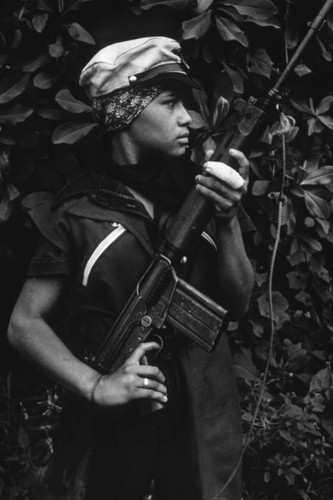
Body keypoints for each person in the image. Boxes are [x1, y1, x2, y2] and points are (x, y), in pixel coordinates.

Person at [7, 36, 254, 500]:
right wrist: (96, 385)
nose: (189, 118)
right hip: (115, 432)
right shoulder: (79, 212)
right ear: (126, 112)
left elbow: (238, 304)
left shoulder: (200, 195)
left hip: (205, 416)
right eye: (170, 103)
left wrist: (228, 221)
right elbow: (24, 324)